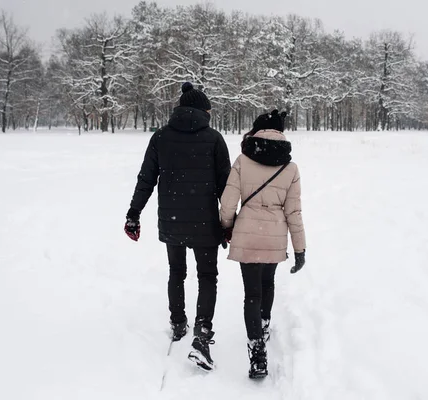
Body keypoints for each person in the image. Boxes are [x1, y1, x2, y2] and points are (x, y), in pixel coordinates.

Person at [124, 82, 231, 371]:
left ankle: (178, 322)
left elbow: (146, 178)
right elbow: (227, 187)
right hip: (206, 222)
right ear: (202, 110)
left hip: (172, 220)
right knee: (207, 275)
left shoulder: (161, 137)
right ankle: (203, 331)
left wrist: (134, 213)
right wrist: (230, 222)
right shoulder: (215, 139)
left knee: (177, 272)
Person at [220, 110, 306, 379]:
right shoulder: (290, 168)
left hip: (247, 232)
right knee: (267, 283)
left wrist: (227, 227)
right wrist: (300, 249)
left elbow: (228, 203)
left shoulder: (243, 161)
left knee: (251, 293)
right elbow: (294, 212)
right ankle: (264, 324)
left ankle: (257, 350)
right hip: (275, 235)